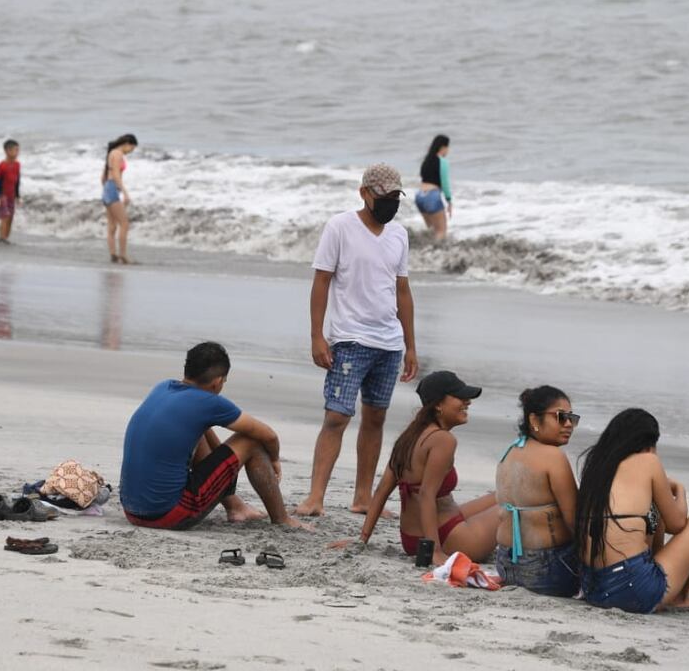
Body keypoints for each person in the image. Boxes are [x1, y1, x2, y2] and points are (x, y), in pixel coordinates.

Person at [294, 163, 418, 517]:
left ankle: (363, 497)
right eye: (384, 196)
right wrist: (317, 336)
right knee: (336, 416)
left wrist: (410, 345)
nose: (391, 203)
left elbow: (402, 290)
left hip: (388, 343)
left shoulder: (399, 235)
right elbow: (321, 282)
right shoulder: (340, 227)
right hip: (350, 339)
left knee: (375, 418)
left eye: (395, 196)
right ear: (365, 193)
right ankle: (315, 497)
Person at [119, 341, 307, 531]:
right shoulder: (208, 402)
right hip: (168, 514)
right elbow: (269, 436)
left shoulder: (163, 387)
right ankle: (282, 519)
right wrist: (274, 460)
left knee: (198, 428)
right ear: (217, 382)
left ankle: (235, 506)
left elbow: (211, 449)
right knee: (251, 441)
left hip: (133, 511)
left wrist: (227, 472)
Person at [576, 408, 689, 613]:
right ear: (648, 443)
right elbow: (677, 524)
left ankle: (678, 586)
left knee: (651, 513)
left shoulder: (597, 467)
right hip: (633, 591)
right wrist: (680, 490)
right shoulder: (648, 461)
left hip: (594, 590)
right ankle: (680, 595)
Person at [358, 371, 499, 565]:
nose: (467, 402)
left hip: (412, 540)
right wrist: (435, 551)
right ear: (438, 405)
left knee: (502, 496)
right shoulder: (443, 440)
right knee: (515, 507)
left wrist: (362, 539)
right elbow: (426, 494)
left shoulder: (409, 437)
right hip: (445, 538)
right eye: (460, 397)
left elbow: (382, 490)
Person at [494, 386, 580, 597]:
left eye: (572, 418)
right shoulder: (553, 457)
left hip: (505, 564)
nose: (568, 424)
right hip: (546, 570)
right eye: (560, 417)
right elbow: (575, 521)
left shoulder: (510, 451)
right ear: (534, 419)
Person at [102, 133, 137, 264]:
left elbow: (103, 177)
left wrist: (107, 190)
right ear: (127, 144)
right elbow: (116, 175)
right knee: (124, 224)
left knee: (112, 225)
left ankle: (113, 255)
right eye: (132, 148)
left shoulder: (111, 153)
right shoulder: (117, 154)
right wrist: (125, 193)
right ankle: (123, 255)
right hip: (112, 189)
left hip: (107, 189)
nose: (131, 152)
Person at [416, 134, 453, 239]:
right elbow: (445, 183)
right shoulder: (442, 161)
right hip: (432, 196)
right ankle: (437, 250)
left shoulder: (426, 160)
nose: (448, 150)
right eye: (448, 147)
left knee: (431, 231)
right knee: (441, 232)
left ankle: (427, 249)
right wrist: (449, 200)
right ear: (443, 147)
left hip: (419, 196)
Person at [0, 139, 21, 245]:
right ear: (7, 151)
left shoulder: (17, 165)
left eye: (18, 150)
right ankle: (1, 238)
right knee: (5, 217)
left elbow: (17, 181)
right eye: (15, 150)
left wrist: (17, 196)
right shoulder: (2, 165)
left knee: (10, 218)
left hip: (11, 196)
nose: (17, 153)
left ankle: (5, 237)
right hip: (2, 195)